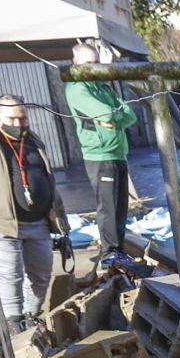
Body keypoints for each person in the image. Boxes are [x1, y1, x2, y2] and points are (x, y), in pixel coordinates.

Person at [0, 95, 65, 329]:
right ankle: (13, 321)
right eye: (12, 119)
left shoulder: (33, 139)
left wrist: (59, 219)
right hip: (0, 222)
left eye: (23, 118)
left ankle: (31, 315)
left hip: (38, 222)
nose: (18, 124)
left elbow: (48, 178)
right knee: (10, 273)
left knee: (42, 272)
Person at [62, 39, 137, 266]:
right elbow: (105, 113)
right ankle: (109, 252)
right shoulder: (77, 88)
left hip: (117, 151)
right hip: (99, 154)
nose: (93, 68)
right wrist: (111, 117)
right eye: (88, 64)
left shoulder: (102, 87)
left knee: (121, 205)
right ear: (75, 63)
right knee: (108, 206)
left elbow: (129, 114)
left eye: (95, 63)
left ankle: (119, 249)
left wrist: (114, 119)